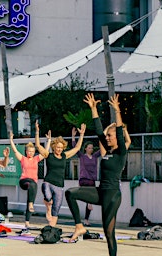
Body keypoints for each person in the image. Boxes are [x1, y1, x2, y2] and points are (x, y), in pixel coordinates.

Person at [65, 94, 128, 256]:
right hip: (100, 191)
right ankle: (79, 226)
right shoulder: (106, 151)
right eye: (107, 136)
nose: (106, 138)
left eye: (110, 136)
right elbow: (99, 130)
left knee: (108, 233)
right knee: (70, 193)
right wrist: (93, 109)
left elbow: (120, 133)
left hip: (112, 195)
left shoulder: (121, 152)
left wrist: (117, 110)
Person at [37, 122, 86, 227]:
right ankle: (47, 205)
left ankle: (51, 228)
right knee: (48, 197)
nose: (59, 149)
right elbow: (38, 146)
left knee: (56, 209)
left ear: (63, 148)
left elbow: (77, 148)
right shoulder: (48, 155)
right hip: (48, 182)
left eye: (61, 147)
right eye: (57, 147)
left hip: (59, 185)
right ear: (53, 147)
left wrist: (81, 135)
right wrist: (37, 132)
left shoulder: (64, 156)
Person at [9, 122, 49, 232]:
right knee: (32, 184)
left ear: (34, 152)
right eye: (29, 151)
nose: (30, 153)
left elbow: (45, 153)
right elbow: (15, 150)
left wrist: (48, 141)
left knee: (33, 187)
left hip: (32, 183)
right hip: (24, 181)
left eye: (32, 151)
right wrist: (11, 140)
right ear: (26, 151)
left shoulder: (36, 159)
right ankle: (31, 204)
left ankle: (27, 222)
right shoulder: (23, 158)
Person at [71, 127, 101, 226]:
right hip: (84, 179)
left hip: (92, 180)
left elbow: (102, 149)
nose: (91, 149)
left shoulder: (95, 156)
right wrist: (73, 137)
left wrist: (103, 136)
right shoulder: (82, 156)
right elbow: (75, 148)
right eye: (89, 148)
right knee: (87, 199)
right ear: (85, 148)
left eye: (92, 148)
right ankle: (88, 204)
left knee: (90, 198)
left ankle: (86, 219)